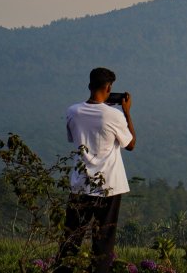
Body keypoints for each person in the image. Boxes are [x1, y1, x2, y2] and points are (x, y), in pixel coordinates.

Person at [56, 67, 136, 273]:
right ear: (108, 88)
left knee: (71, 238)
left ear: (89, 86)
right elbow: (131, 144)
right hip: (108, 186)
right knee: (103, 240)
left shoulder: (73, 111)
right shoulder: (115, 115)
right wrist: (126, 112)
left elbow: (74, 139)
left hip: (80, 183)